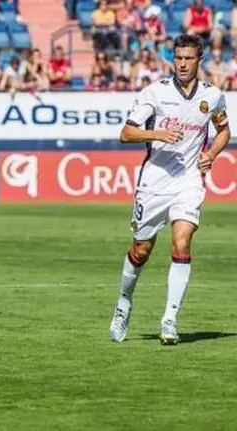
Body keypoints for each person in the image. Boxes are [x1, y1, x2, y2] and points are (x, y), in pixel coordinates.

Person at [109, 34, 230, 345]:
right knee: (141, 249)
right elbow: (126, 133)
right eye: (178, 58)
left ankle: (169, 320)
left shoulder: (213, 96)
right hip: (154, 182)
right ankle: (124, 301)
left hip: (189, 181)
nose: (182, 64)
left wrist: (211, 154)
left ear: (199, 60)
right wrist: (158, 134)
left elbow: (223, 130)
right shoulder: (155, 93)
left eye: (189, 58)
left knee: (182, 243)